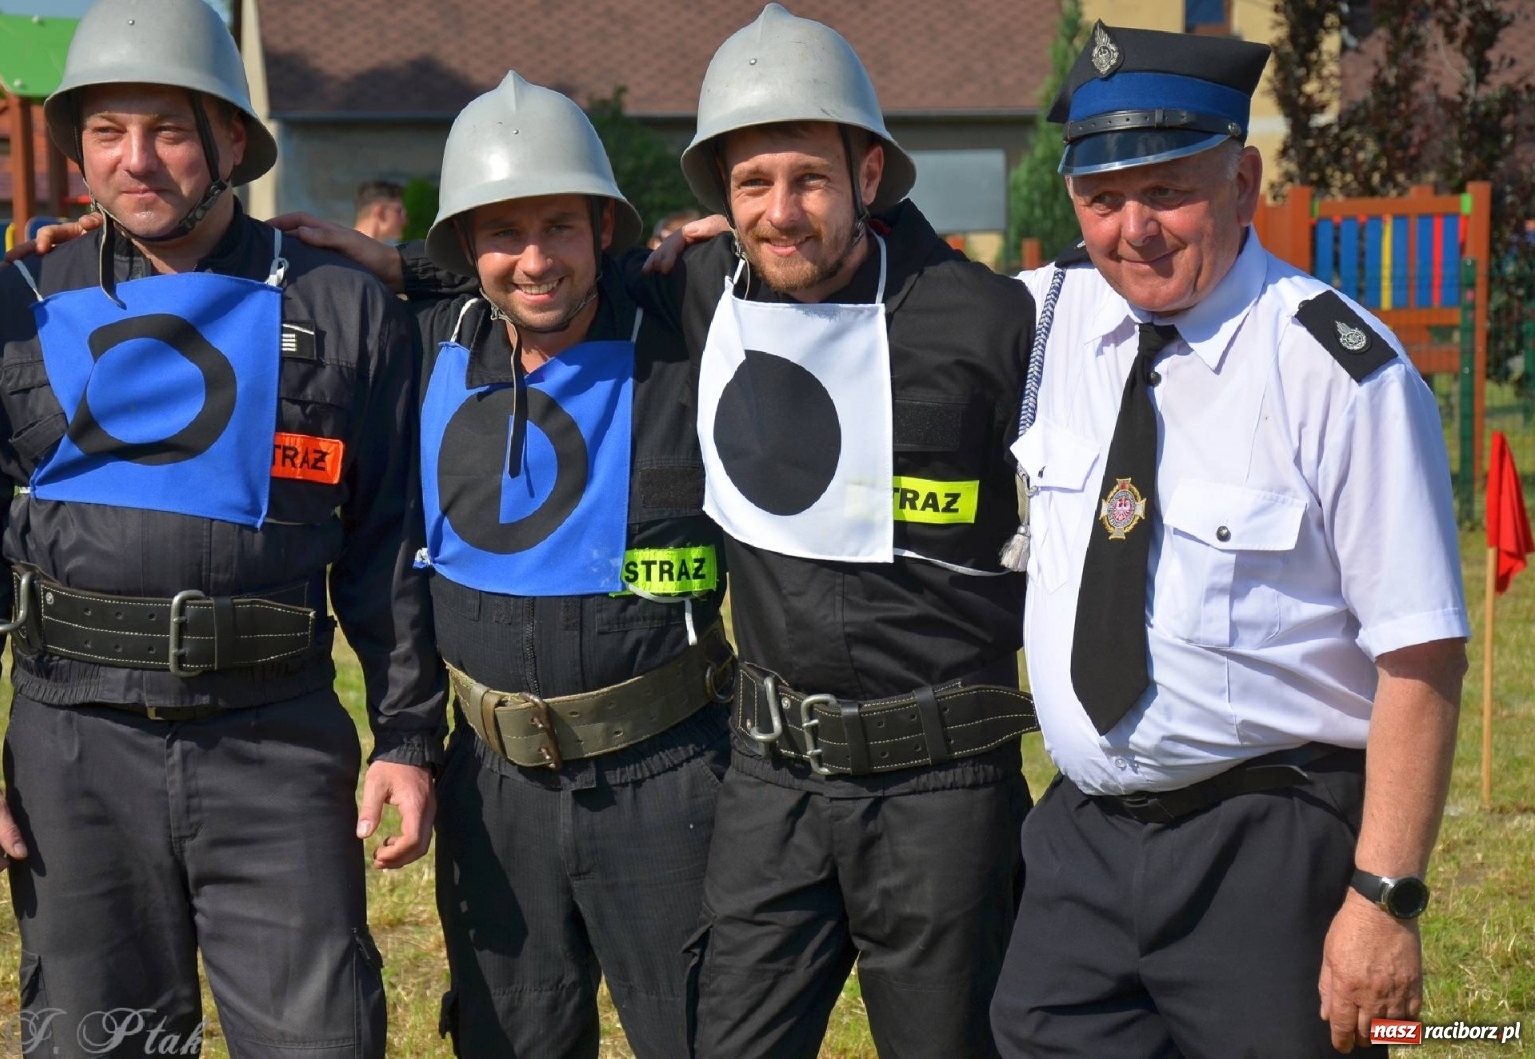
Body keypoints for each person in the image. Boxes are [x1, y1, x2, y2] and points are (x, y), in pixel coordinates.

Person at [0, 0, 444, 1054]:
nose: (137, 162)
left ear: (228, 142)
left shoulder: (346, 308)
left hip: (277, 743)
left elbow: (393, 542)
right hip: (74, 751)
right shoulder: (16, 304)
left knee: (321, 1038)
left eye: (168, 129)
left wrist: (405, 737)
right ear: (75, 152)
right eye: (107, 134)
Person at [990, 23, 1469, 1057]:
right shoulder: (1041, 317)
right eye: (1100, 199)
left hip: (1266, 847)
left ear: (1244, 181)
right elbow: (876, 321)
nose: (1132, 231)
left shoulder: (1339, 373)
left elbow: (1420, 654)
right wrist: (711, 263)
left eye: (1167, 192)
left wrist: (1381, 901)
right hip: (1079, 842)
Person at [253, 72, 733, 1058]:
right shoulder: (425, 345)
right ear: (464, 247)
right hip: (490, 790)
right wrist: (75, 247)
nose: (534, 259)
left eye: (561, 226)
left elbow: (840, 256)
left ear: (605, 228)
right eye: (502, 234)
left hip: (671, 780)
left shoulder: (686, 327)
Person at [627, 6, 1037, 1055]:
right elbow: (548, 276)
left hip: (943, 787)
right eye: (752, 184)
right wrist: (397, 268)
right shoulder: (702, 286)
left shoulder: (991, 322)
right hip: (770, 780)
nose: (781, 212)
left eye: (808, 178)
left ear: (868, 174)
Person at [354, 178, 408, 244]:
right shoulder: (342, 250)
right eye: (398, 211)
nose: (405, 221)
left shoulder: (344, 248)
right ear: (380, 212)